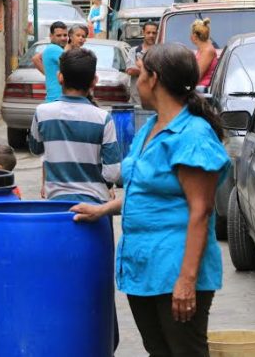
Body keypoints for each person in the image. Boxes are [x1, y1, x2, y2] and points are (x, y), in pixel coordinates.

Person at [71, 43, 229, 357]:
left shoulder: (192, 135)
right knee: (158, 350)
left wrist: (186, 280)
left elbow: (201, 210)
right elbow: (144, 191)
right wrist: (102, 209)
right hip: (144, 269)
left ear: (154, 79)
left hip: (175, 268)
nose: (137, 81)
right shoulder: (150, 130)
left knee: (185, 351)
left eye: (141, 73)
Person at [29, 48, 121, 351]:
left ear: (59, 77)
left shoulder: (43, 112)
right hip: (96, 214)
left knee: (56, 287)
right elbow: (112, 171)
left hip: (55, 214)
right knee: (97, 287)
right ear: (94, 80)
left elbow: (34, 148)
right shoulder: (102, 118)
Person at [32, 21, 68, 102]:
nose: (63, 38)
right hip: (58, 99)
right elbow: (71, 66)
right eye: (59, 35)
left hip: (53, 98)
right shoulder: (55, 49)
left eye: (65, 35)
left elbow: (35, 58)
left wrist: (48, 74)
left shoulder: (50, 48)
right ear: (51, 36)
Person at [126, 21, 159, 104]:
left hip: (155, 101)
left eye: (154, 33)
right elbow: (130, 71)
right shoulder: (134, 51)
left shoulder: (161, 52)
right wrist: (152, 71)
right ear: (143, 32)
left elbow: (162, 73)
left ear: (157, 34)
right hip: (136, 100)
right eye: (148, 33)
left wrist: (141, 66)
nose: (151, 35)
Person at [191, 18, 218, 88]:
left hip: (202, 90)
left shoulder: (207, 51)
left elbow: (197, 75)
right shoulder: (202, 49)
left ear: (194, 36)